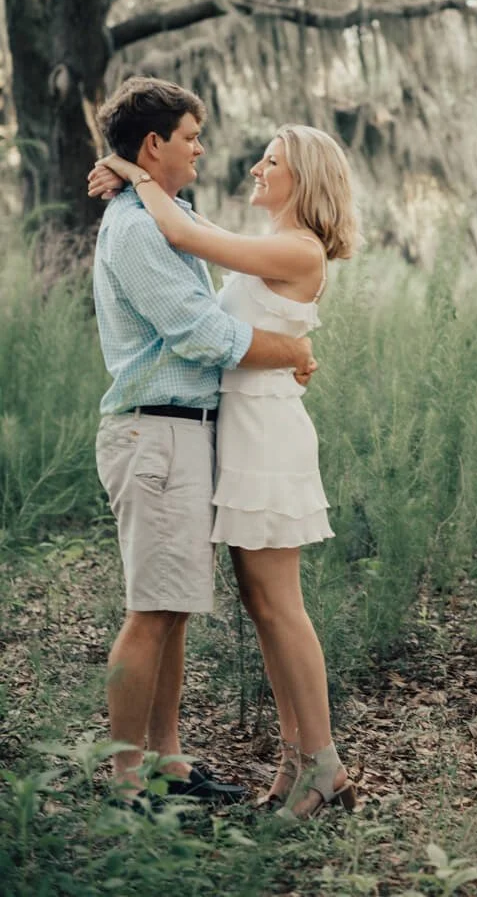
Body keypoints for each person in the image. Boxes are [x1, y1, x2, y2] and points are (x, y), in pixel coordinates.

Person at [90, 113, 358, 820]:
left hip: (264, 435)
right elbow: (192, 238)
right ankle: (295, 762)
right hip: (235, 433)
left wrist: (135, 171)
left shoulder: (297, 248)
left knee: (279, 605)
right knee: (262, 606)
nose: (254, 169)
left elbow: (185, 236)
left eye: (271, 161)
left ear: (304, 177)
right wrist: (134, 172)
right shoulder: (270, 244)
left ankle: (323, 763)